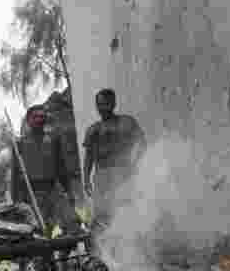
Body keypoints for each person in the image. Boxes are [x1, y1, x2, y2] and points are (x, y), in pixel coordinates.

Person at [8, 104, 80, 236]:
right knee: (41, 231)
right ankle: (47, 255)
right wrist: (15, 201)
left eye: (42, 117)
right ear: (28, 120)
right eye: (35, 117)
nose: (39, 120)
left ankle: (64, 250)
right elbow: (15, 173)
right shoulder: (19, 143)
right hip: (31, 193)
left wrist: (69, 192)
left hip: (53, 189)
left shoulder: (53, 140)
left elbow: (61, 168)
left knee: (74, 224)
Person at [82, 89, 146, 231]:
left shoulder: (127, 122)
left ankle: (131, 239)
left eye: (105, 103)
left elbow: (142, 144)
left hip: (124, 173)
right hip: (102, 176)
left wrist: (137, 164)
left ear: (113, 103)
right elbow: (89, 157)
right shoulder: (93, 130)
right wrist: (86, 179)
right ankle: (103, 245)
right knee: (103, 213)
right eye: (98, 104)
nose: (101, 108)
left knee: (127, 207)